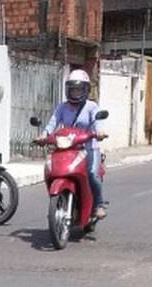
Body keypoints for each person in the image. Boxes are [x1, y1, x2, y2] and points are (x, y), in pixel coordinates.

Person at [39, 69, 108, 219]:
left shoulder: (91, 106)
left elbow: (98, 121)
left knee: (92, 174)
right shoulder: (62, 107)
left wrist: (100, 131)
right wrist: (43, 135)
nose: (75, 92)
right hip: (68, 147)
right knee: (55, 170)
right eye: (72, 89)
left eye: (78, 89)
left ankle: (99, 205)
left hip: (88, 147)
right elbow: (53, 122)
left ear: (86, 90)